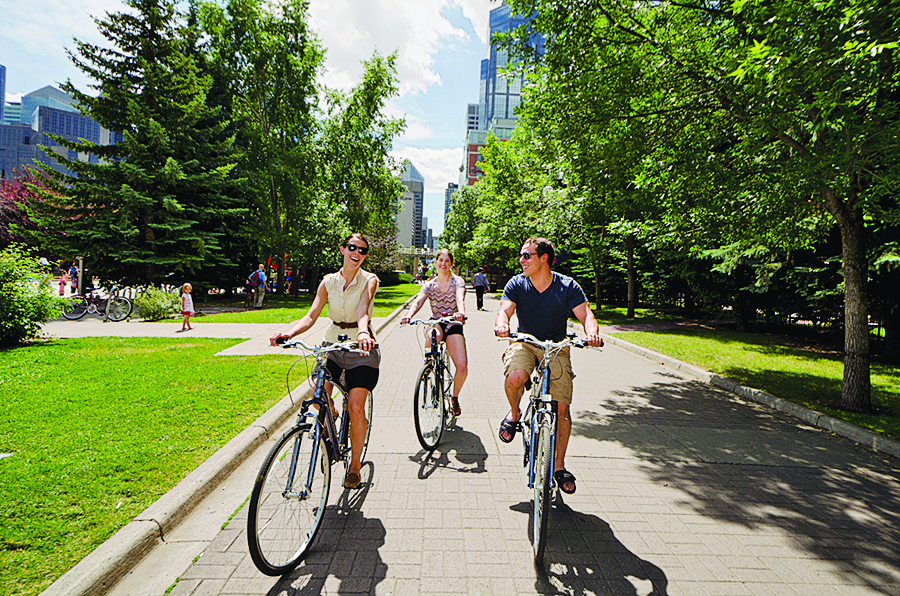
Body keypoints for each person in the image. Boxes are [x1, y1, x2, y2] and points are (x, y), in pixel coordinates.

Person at [494, 237, 603, 495]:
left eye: (527, 255)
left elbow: (586, 315)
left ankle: (558, 467)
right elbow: (504, 309)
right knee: (516, 376)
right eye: (521, 256)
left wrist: (592, 333)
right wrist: (502, 324)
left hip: (556, 346)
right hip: (526, 341)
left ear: (544, 258)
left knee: (562, 408)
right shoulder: (517, 283)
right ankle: (515, 414)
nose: (522, 260)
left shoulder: (567, 286)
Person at [270, 234, 380, 489]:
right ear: (343, 249)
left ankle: (354, 466)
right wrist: (289, 333)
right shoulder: (328, 282)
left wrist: (363, 331)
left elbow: (363, 309)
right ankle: (331, 415)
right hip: (332, 345)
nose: (357, 253)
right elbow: (311, 315)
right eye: (352, 248)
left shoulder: (369, 280)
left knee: (355, 406)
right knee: (317, 395)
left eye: (362, 251)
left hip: (361, 349)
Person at [401, 248, 468, 416]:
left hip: (453, 324)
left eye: (447, 261)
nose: (443, 264)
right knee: (434, 335)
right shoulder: (429, 284)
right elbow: (418, 302)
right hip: (436, 322)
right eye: (441, 260)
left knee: (462, 367)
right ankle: (429, 365)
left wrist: (461, 313)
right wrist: (408, 315)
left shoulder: (457, 282)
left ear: (451, 264)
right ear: (436, 263)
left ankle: (454, 398)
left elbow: (460, 298)